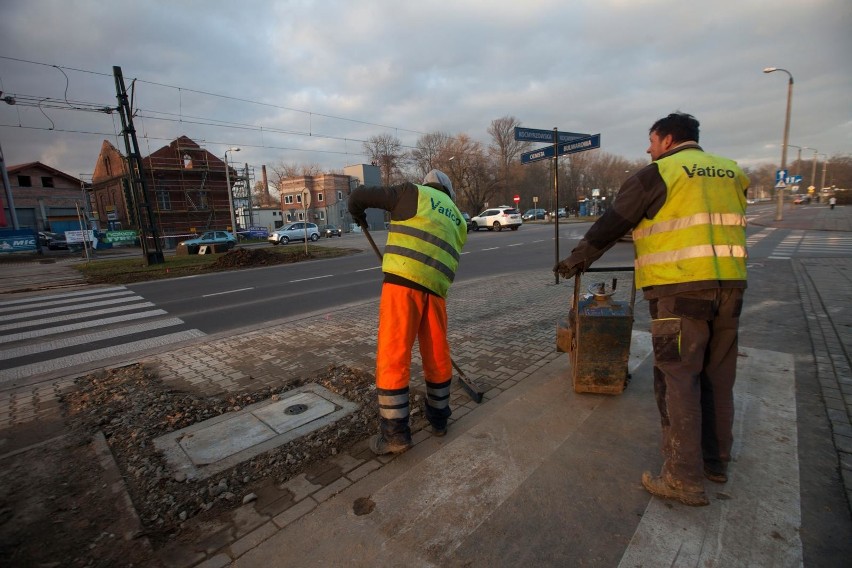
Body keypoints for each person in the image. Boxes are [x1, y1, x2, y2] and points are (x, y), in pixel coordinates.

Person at [554, 112, 749, 507]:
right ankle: (715, 461)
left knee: (678, 376)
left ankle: (682, 476)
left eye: (652, 140)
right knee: (718, 375)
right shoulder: (732, 172)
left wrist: (576, 260)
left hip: (680, 290)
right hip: (731, 286)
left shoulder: (659, 173)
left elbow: (613, 223)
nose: (648, 148)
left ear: (668, 139)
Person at [348, 170, 468, 455]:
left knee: (394, 355)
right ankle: (439, 422)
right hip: (436, 292)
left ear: (428, 185)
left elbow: (357, 196)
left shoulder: (411, 193)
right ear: (448, 192)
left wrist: (358, 215)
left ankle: (395, 435)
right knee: (437, 354)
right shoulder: (459, 219)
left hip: (403, 287)